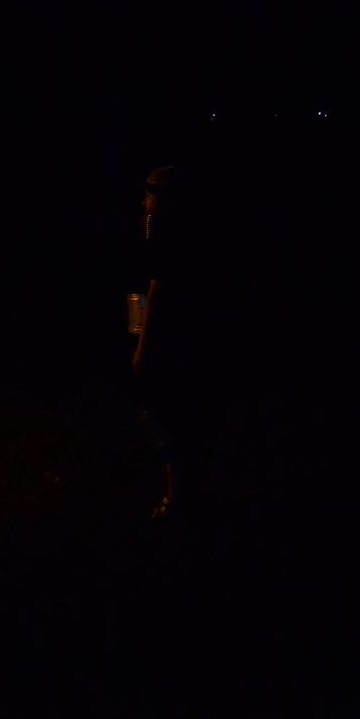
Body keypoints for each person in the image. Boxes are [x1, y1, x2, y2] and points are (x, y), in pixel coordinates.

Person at [132, 164, 203, 518]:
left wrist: (143, 346)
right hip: (177, 339)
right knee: (174, 416)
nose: (144, 201)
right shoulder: (161, 232)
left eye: (149, 195)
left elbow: (158, 294)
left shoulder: (169, 241)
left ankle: (179, 499)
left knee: (169, 416)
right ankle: (181, 494)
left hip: (170, 341)